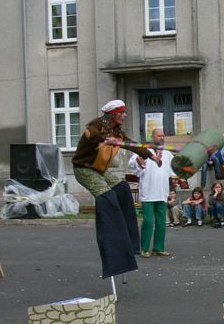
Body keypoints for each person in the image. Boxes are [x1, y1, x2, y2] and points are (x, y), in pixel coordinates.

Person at [72, 99, 158, 279]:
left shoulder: (117, 132)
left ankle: (130, 242)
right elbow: (91, 135)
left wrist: (151, 156)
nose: (125, 116)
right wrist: (105, 139)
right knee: (108, 197)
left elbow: (131, 144)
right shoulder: (95, 127)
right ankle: (113, 244)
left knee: (123, 189)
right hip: (84, 169)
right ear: (113, 114)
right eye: (122, 113)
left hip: (99, 171)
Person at [128, 127, 173, 258]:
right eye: (159, 136)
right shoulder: (143, 150)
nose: (162, 138)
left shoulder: (167, 153)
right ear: (152, 137)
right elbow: (132, 165)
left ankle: (159, 247)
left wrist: (171, 189)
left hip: (162, 192)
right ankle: (145, 248)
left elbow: (172, 172)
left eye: (163, 136)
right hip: (148, 192)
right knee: (148, 221)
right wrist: (139, 163)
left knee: (161, 222)